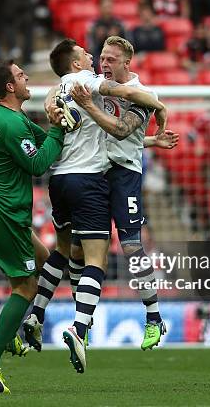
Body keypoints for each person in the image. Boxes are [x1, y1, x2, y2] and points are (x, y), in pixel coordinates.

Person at [24, 36, 178, 354]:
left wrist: (155, 112)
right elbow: (62, 90)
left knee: (132, 246)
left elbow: (122, 132)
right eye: (102, 58)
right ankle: (83, 324)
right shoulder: (93, 84)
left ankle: (154, 317)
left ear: (126, 63)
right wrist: (56, 96)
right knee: (77, 252)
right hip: (94, 175)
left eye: (110, 59)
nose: (103, 63)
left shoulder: (143, 95)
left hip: (123, 176)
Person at [0, 60, 67, 393]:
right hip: (3, 214)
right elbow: (39, 163)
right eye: (21, 75)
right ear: (10, 86)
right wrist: (57, 129)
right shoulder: (11, 123)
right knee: (25, 287)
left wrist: (63, 127)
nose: (27, 78)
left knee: (45, 261)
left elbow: (46, 141)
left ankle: (12, 332)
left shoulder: (9, 117)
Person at [88, 0, 125, 71]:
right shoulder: (93, 26)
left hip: (117, 54)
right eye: (105, 7)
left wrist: (116, 39)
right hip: (99, 55)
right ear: (100, 8)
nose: (108, 10)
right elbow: (90, 48)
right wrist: (98, 39)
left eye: (109, 7)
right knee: (94, 62)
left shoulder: (119, 25)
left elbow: (128, 45)